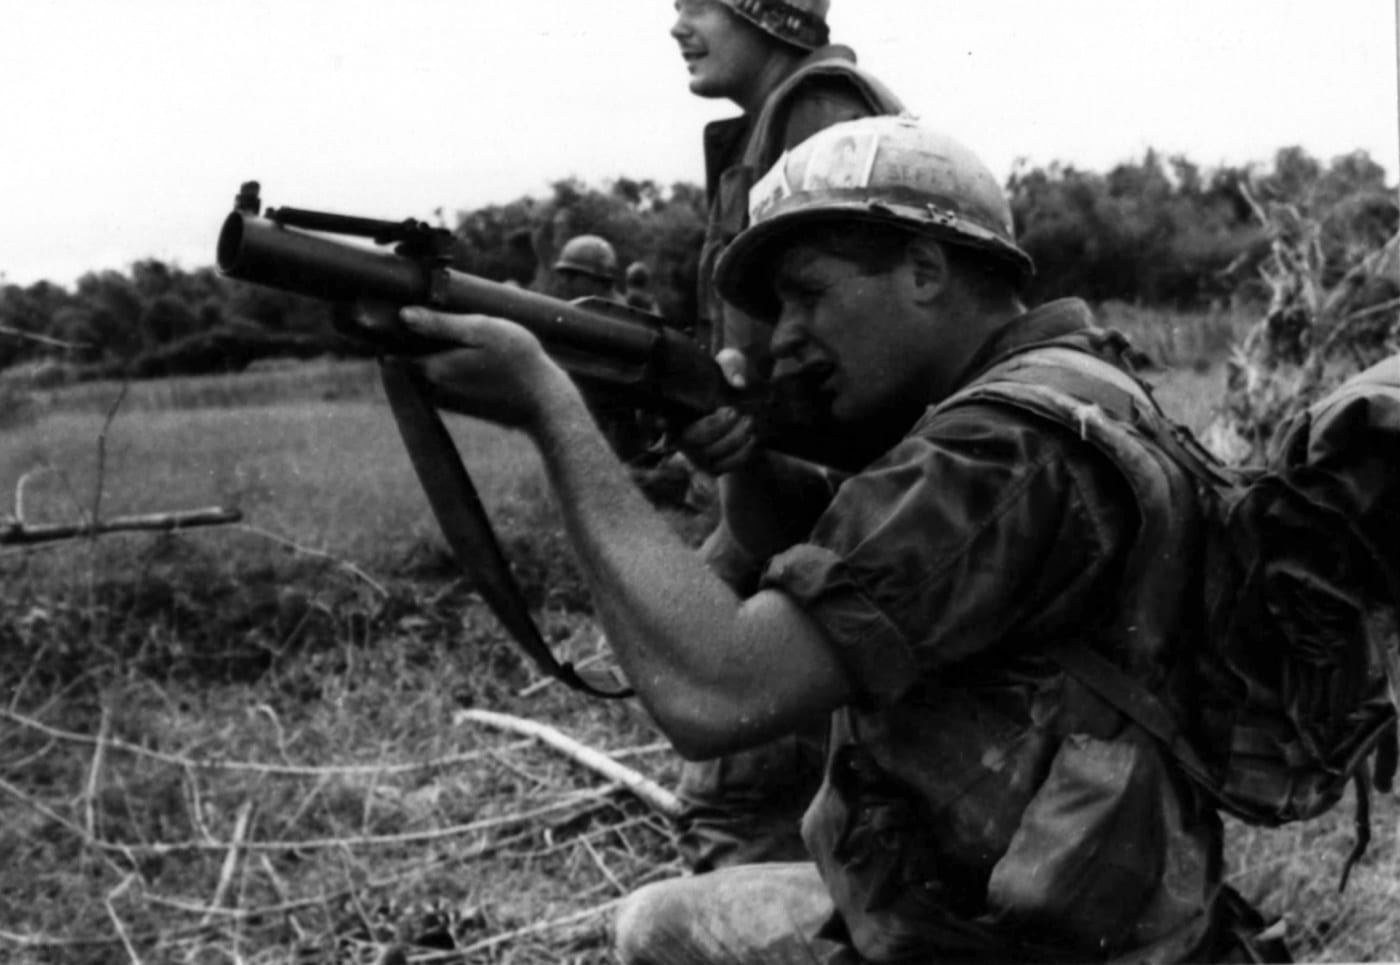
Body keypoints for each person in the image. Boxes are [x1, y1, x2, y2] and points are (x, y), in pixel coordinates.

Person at [397, 115, 1285, 964]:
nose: (784, 337)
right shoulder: (1076, 387)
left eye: (810, 294)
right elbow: (893, 579)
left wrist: (551, 414)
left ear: (926, 269)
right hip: (1103, 909)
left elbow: (717, 693)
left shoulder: (993, 453)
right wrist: (743, 453)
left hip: (1000, 943)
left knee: (652, 927)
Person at [670, 0, 906, 874]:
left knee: (743, 802)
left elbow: (849, 355)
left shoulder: (818, 114)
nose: (677, 25)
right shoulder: (767, 130)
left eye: (698, 3)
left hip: (832, 507)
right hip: (784, 495)